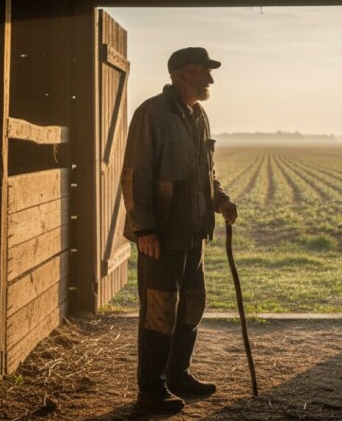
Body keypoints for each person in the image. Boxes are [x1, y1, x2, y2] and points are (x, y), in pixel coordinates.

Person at [121, 47, 239, 413]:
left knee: (191, 306)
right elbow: (134, 176)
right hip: (162, 236)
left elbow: (206, 172)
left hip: (194, 233)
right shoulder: (151, 114)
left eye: (208, 72)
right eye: (202, 72)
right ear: (179, 75)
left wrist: (221, 200)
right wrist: (144, 229)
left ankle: (178, 375)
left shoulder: (199, 115)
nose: (210, 79)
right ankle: (151, 390)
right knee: (160, 312)